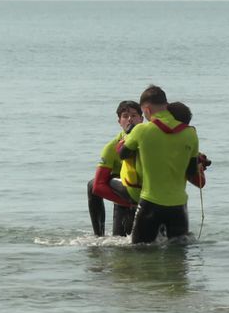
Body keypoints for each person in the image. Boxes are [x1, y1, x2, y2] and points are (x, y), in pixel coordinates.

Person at [118, 86, 206, 244]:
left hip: (150, 205)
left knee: (140, 253)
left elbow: (122, 154)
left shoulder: (141, 130)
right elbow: (191, 171)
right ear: (166, 105)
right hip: (179, 208)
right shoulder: (191, 134)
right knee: (178, 260)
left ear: (147, 110)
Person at [87, 100, 143, 237]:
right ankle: (98, 235)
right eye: (125, 116)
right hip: (125, 195)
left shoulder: (151, 138)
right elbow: (97, 186)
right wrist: (129, 204)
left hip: (150, 193)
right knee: (120, 244)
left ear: (142, 119)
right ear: (119, 121)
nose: (130, 119)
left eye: (134, 115)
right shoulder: (111, 147)